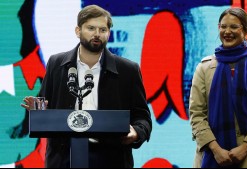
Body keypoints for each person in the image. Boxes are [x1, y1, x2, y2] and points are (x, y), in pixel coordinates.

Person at [21, 5, 152, 168]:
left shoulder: (127, 70)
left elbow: (143, 117)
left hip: (110, 159)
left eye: (103, 30)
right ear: (78, 31)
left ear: (108, 34)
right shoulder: (57, 64)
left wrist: (136, 132)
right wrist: (37, 111)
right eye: (91, 28)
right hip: (64, 159)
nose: (97, 34)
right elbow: (45, 109)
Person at [189, 7, 247, 168]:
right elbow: (197, 114)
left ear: (245, 31)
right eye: (223, 26)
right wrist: (216, 149)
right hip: (212, 155)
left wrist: (245, 148)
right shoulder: (204, 68)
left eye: (234, 27)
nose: (227, 31)